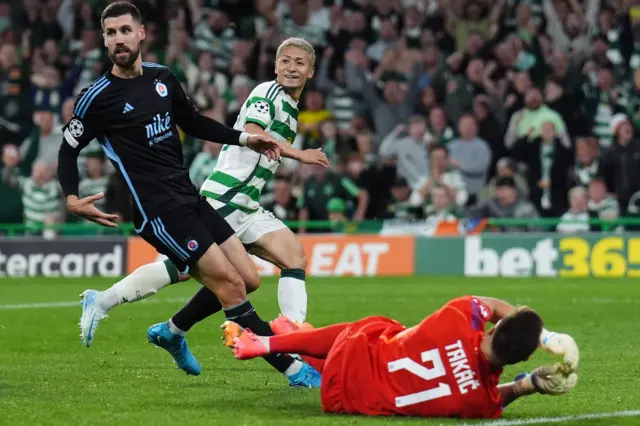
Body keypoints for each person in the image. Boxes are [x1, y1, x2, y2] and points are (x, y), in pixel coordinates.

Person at [60, 2, 318, 387]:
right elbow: (68, 148)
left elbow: (194, 123)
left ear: (142, 33)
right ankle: (295, 370)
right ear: (104, 39)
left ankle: (172, 331)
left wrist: (247, 138)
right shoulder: (98, 96)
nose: (119, 39)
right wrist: (71, 196)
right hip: (158, 210)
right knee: (229, 286)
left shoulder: (162, 78)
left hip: (191, 196)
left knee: (247, 278)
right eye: (111, 33)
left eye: (125, 30)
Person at [224, 296, 580, 419]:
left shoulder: (456, 318)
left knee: (378, 329)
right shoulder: (478, 402)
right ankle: (291, 335)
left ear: (492, 329)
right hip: (345, 399)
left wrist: (545, 335)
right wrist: (529, 385)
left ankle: (273, 343)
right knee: (367, 360)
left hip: (354, 356)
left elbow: (492, 305)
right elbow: (498, 396)